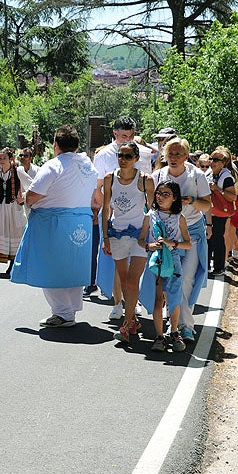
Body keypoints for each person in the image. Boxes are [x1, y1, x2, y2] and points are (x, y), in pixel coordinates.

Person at [11, 125, 97, 327]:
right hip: (80, 222)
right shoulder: (88, 165)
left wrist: (27, 200)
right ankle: (70, 309)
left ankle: (62, 313)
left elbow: (33, 195)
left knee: (50, 267)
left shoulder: (54, 165)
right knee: (74, 266)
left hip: (54, 222)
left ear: (56, 145)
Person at [143, 137, 211, 344]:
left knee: (186, 279)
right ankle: (172, 317)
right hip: (165, 236)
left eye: (178, 154)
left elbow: (207, 205)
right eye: (170, 154)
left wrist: (191, 201)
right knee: (164, 280)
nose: (173, 158)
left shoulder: (196, 175)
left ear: (186, 156)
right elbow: (149, 205)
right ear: (164, 155)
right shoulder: (157, 176)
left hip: (191, 232)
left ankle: (185, 326)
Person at [93, 117, 152, 321]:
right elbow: (99, 186)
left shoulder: (143, 153)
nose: (128, 138)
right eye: (124, 135)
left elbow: (147, 186)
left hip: (137, 216)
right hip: (113, 216)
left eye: (131, 135)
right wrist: (105, 213)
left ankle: (131, 303)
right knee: (118, 265)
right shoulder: (103, 155)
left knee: (135, 265)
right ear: (115, 133)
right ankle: (118, 303)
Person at [101, 141, 155, 342]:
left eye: (128, 156)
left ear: (136, 159)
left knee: (133, 280)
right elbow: (106, 209)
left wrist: (146, 234)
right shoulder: (110, 179)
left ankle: (126, 324)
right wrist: (106, 236)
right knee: (124, 281)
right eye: (120, 156)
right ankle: (132, 321)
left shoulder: (145, 180)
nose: (123, 160)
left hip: (139, 235)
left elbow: (152, 210)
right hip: (116, 234)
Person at [138, 180, 192, 352]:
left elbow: (188, 244)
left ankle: (174, 331)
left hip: (173, 260)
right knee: (157, 299)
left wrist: (172, 243)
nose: (160, 197)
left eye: (166, 194)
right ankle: (159, 336)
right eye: (159, 193)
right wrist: (148, 246)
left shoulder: (179, 218)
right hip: (155, 261)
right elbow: (141, 239)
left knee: (174, 298)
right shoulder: (150, 216)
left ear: (175, 198)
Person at [0, 147, 32, 275]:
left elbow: (31, 185)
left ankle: (12, 266)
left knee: (14, 233)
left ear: (11, 159)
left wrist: (22, 196)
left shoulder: (18, 171)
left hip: (12, 207)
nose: (2, 161)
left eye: (4, 158)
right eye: (0, 158)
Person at [207, 146, 237, 276]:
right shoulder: (210, 173)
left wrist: (217, 189)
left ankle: (219, 268)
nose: (212, 162)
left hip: (219, 212)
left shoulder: (226, 177)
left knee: (217, 238)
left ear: (223, 163)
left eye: (216, 160)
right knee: (208, 238)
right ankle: (206, 266)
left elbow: (232, 196)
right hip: (209, 211)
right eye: (211, 159)